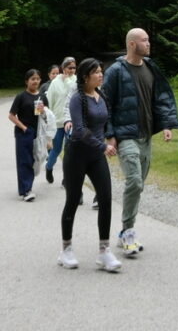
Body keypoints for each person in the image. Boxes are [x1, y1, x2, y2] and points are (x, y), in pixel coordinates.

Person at [101, 28, 178, 258]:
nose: (149, 43)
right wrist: (110, 134)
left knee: (139, 184)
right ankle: (128, 231)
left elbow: (160, 98)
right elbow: (106, 103)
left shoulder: (150, 68)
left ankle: (125, 229)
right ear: (132, 44)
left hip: (146, 136)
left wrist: (166, 124)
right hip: (126, 136)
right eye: (144, 40)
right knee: (134, 181)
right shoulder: (116, 71)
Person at [58, 58, 121, 273]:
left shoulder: (100, 96)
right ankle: (66, 249)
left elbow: (106, 122)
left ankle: (104, 251)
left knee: (105, 198)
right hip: (76, 155)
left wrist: (110, 139)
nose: (101, 74)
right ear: (85, 76)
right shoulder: (77, 98)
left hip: (96, 156)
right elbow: (78, 130)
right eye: (96, 72)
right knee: (73, 201)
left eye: (101, 71)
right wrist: (102, 146)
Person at [8, 69, 49, 201]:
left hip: (38, 133)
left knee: (35, 159)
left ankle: (28, 186)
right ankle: (26, 190)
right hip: (24, 133)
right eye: (32, 79)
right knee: (24, 161)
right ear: (27, 81)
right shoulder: (21, 96)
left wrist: (43, 113)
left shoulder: (42, 97)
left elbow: (46, 117)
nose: (35, 81)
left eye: (37, 79)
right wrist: (24, 127)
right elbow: (11, 116)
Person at [45, 57, 77, 184]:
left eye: (74, 68)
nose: (72, 70)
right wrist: (48, 120)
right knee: (57, 149)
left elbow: (74, 92)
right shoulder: (55, 82)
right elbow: (49, 101)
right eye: (69, 68)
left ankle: (66, 178)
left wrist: (68, 79)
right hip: (57, 122)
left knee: (69, 151)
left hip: (71, 121)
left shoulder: (76, 80)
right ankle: (48, 167)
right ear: (63, 68)